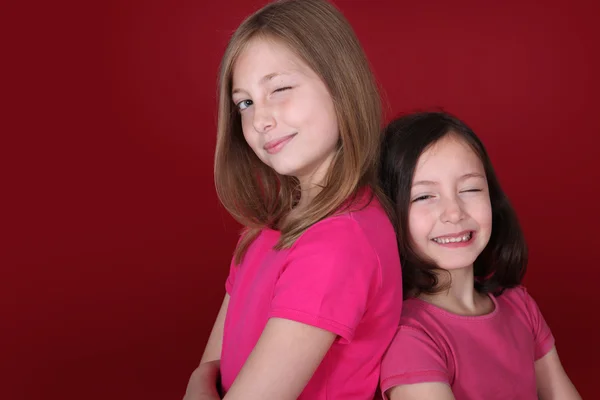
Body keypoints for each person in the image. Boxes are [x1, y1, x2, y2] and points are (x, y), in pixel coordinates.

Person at [183, 1, 403, 399]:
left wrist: (196, 382)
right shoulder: (268, 228)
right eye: (244, 103)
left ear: (341, 84)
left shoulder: (339, 242)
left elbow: (205, 377)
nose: (259, 120)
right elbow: (214, 367)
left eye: (279, 89)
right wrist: (200, 379)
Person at [378, 111, 581, 400]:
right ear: (390, 213)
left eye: (470, 189)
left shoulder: (521, 307)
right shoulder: (409, 336)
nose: (454, 212)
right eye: (424, 196)